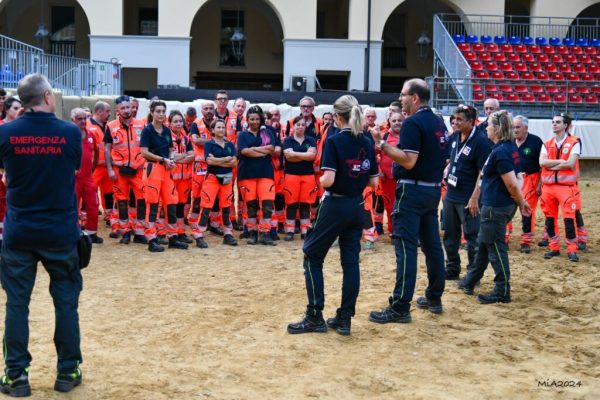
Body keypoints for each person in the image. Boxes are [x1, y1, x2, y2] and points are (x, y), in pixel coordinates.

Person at [0, 74, 84, 396]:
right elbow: (72, 168)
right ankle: (67, 371)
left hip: (20, 231)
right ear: (48, 95)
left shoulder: (5, 133)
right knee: (66, 303)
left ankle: (15, 376)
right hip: (61, 232)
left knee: (17, 304)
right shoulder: (70, 132)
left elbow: (6, 170)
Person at [287, 95, 378, 336]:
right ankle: (345, 318)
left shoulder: (335, 141)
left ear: (337, 117)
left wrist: (318, 179)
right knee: (350, 262)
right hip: (357, 205)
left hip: (335, 204)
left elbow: (328, 180)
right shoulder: (367, 141)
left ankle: (314, 315)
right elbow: (374, 182)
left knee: (312, 255)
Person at [368, 78, 449, 324]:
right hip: (431, 190)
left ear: (415, 98)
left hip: (411, 192)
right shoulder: (438, 121)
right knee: (432, 246)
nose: (400, 98)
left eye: (403, 94)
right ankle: (434, 297)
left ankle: (401, 306)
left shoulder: (413, 122)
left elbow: (408, 160)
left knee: (406, 247)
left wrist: (380, 143)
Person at [458, 110, 531, 303]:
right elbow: (518, 179)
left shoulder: (501, 152)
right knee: (484, 243)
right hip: (500, 206)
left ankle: (502, 291)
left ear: (497, 129)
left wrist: (521, 201)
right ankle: (470, 281)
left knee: (496, 249)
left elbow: (512, 183)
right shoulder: (508, 148)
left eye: (489, 125)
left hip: (495, 207)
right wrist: (519, 201)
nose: (486, 128)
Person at [442, 105, 491, 280]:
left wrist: (474, 198)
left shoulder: (481, 141)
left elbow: (482, 172)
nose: (454, 122)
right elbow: (454, 158)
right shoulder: (455, 136)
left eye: (459, 119)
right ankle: (453, 268)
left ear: (471, 121)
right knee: (450, 233)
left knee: (472, 236)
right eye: (453, 119)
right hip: (451, 194)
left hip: (469, 197)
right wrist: (447, 169)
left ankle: (472, 273)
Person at [140, 101, 189, 252]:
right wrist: (163, 159)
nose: (161, 114)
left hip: (166, 170)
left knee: (171, 203)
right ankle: (151, 239)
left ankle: (172, 237)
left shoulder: (167, 131)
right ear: (152, 112)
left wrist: (172, 159)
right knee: (153, 205)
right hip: (153, 169)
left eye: (163, 111)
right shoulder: (147, 130)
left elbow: (171, 149)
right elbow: (144, 152)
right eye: (158, 111)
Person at [539, 113, 582, 262]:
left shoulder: (575, 141)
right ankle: (554, 247)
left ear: (566, 125)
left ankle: (572, 249)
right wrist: (561, 162)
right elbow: (541, 163)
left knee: (569, 219)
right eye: (553, 122)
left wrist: (551, 163)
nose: (554, 124)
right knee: (550, 220)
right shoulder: (547, 143)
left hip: (566, 187)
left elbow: (570, 164)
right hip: (548, 188)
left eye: (558, 122)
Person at [104, 96, 147, 244]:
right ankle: (125, 231)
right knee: (122, 201)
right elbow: (107, 149)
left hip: (139, 169)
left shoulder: (142, 124)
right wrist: (109, 169)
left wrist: (141, 163)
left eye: (128, 107)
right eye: (123, 108)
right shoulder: (110, 126)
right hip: (119, 170)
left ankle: (140, 232)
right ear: (117, 110)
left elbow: (146, 147)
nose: (126, 110)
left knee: (142, 200)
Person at [237, 105, 279, 245]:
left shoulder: (267, 133)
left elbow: (272, 149)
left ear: (261, 119)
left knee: (267, 204)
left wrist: (253, 149)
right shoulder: (242, 135)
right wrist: (262, 151)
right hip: (247, 174)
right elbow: (244, 152)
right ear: (247, 120)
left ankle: (265, 233)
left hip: (265, 173)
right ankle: (252, 232)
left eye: (257, 119)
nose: (254, 121)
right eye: (251, 119)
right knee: (251, 205)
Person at [192, 119, 238, 248]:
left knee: (226, 206)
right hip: (212, 178)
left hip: (227, 179)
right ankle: (198, 234)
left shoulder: (230, 145)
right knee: (206, 206)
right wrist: (225, 159)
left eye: (223, 127)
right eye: (218, 127)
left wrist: (218, 160)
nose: (222, 129)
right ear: (212, 130)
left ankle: (228, 233)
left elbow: (234, 162)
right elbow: (210, 161)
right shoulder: (209, 144)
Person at [510, 115, 543, 253]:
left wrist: (540, 184)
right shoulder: (509, 141)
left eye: (517, 127)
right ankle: (504, 238)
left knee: (527, 211)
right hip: (512, 179)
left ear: (526, 128)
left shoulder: (536, 142)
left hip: (530, 179)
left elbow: (542, 165)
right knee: (507, 209)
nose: (514, 130)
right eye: (513, 127)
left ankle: (526, 241)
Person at [282, 116, 318, 241]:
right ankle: (290, 230)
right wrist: (305, 155)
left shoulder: (311, 140)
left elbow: (312, 156)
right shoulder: (288, 140)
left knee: (305, 204)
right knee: (291, 203)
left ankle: (304, 231)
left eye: (303, 125)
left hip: (308, 175)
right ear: (293, 126)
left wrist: (295, 154)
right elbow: (288, 157)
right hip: (291, 175)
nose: (300, 127)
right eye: (298, 124)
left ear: (305, 126)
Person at [71, 108, 103, 244]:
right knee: (73, 206)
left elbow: (96, 151)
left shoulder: (90, 134)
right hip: (73, 179)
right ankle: (73, 233)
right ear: (73, 120)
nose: (83, 121)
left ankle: (92, 232)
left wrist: (93, 168)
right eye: (80, 119)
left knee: (93, 206)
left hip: (88, 177)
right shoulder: (68, 136)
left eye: (84, 118)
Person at [168, 110, 195, 242]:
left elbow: (193, 156)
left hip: (185, 178)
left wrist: (178, 157)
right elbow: (168, 156)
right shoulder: (166, 137)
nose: (178, 124)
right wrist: (184, 156)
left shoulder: (186, 138)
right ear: (170, 123)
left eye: (180, 121)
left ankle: (180, 232)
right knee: (170, 206)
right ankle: (169, 232)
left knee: (181, 206)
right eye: (175, 121)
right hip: (171, 178)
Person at [88, 101, 114, 228]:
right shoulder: (87, 125)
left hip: (107, 166)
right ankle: (86, 216)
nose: (110, 114)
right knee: (89, 192)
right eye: (108, 111)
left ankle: (109, 216)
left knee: (109, 193)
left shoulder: (108, 126)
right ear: (99, 112)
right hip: (94, 167)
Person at [377, 112, 403, 235]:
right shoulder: (384, 137)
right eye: (394, 121)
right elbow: (371, 154)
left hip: (406, 178)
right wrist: (378, 171)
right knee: (390, 206)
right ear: (389, 123)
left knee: (406, 206)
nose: (397, 122)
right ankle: (394, 232)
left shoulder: (410, 136)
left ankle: (406, 231)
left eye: (399, 120)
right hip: (388, 179)